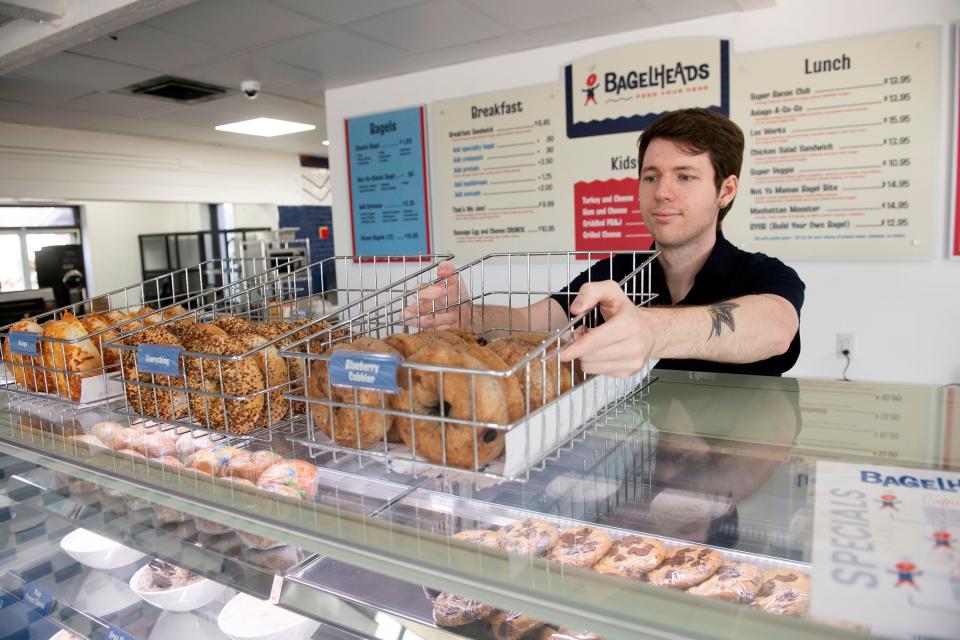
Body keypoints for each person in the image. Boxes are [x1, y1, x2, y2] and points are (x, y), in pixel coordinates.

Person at [407, 108, 805, 377]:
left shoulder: (763, 273)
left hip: (735, 476)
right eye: (651, 176)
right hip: (634, 471)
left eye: (685, 176)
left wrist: (649, 329)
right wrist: (469, 317)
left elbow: (776, 327)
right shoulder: (616, 272)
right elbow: (537, 321)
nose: (662, 192)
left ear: (726, 190)